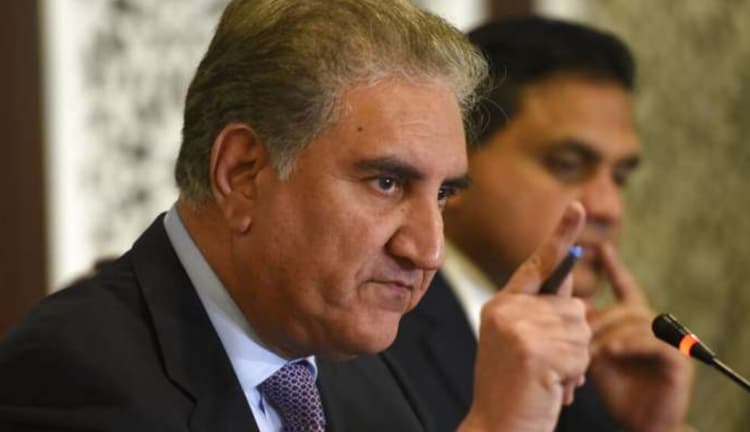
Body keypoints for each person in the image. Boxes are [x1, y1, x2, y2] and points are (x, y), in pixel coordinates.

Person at [0, 2, 595, 432]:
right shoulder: (71, 376)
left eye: (441, 195)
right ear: (242, 173)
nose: (428, 250)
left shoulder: (360, 366)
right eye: (387, 183)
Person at [389, 16, 695, 432]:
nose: (608, 208)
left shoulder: (596, 367)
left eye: (619, 177)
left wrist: (653, 427)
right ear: (456, 166)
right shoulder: (375, 331)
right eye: (567, 165)